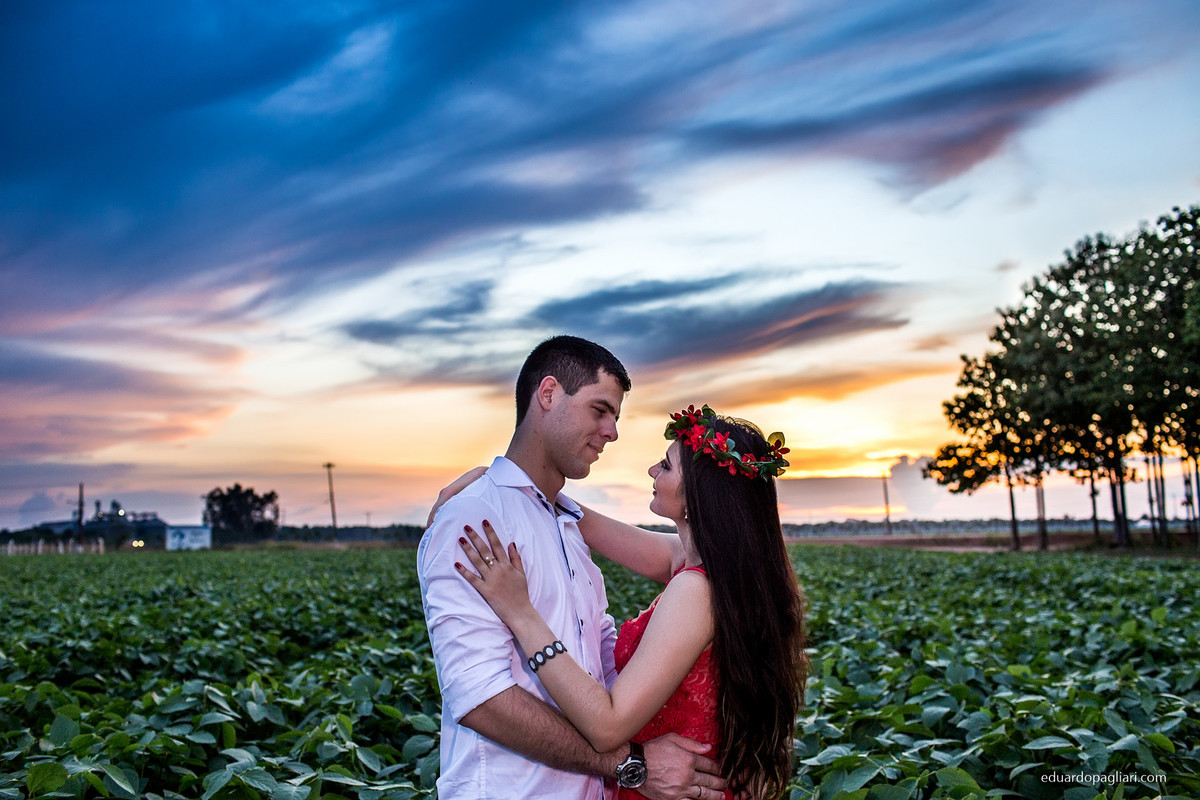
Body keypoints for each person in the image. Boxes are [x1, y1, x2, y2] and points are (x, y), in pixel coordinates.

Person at [418, 337, 728, 800]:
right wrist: (629, 764)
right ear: (548, 395)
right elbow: (480, 699)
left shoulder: (568, 525)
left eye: (616, 417)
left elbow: (596, 663)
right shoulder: (475, 517)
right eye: (600, 410)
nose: (612, 432)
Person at [454, 404, 808, 799]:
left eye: (666, 466)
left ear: (698, 496)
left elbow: (607, 726)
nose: (653, 472)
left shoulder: (696, 592)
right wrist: (496, 489)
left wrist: (521, 614)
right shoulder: (713, 567)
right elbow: (579, 518)